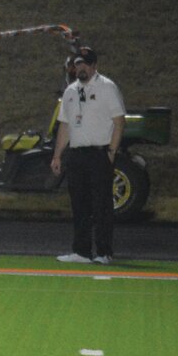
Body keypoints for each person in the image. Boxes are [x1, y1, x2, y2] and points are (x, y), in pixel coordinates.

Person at [51, 46, 125, 265]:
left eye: (84, 64)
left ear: (94, 66)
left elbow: (119, 121)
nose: (80, 68)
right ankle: (81, 251)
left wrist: (111, 151)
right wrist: (57, 155)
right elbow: (65, 125)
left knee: (101, 205)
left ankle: (104, 252)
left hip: (99, 153)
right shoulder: (71, 91)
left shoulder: (107, 87)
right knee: (79, 204)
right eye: (77, 64)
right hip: (77, 154)